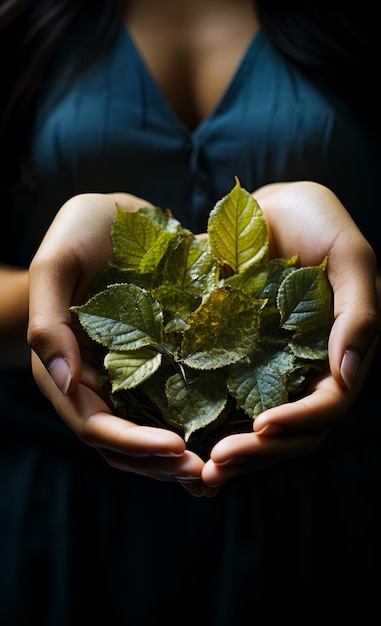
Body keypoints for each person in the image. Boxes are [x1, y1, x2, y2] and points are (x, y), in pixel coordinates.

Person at [1, 1, 380, 624]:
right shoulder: (24, 18)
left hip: (330, 510)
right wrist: (55, 311)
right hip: (73, 518)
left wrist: (358, 305)